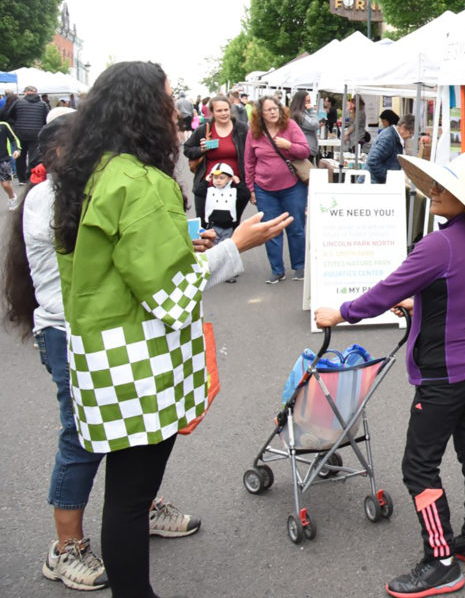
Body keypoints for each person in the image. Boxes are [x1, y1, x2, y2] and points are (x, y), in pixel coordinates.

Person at [39, 61, 289, 598]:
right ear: (142, 111)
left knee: (125, 495)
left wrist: (185, 248)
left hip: (102, 358)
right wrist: (233, 247)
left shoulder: (96, 173)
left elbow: (115, 267)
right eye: (168, 100)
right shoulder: (142, 182)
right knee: (132, 497)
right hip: (139, 363)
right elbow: (172, 294)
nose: (176, 113)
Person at [314, 151, 465, 598]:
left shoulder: (439, 244)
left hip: (445, 372)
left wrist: (339, 313)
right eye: (437, 184)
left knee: (418, 465)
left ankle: (439, 562)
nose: (434, 191)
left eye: (445, 188)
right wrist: (424, 303)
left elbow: (382, 293)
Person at [244, 94, 310, 284]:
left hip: (292, 187)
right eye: (268, 110)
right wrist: (251, 189)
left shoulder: (290, 126)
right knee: (270, 229)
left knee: (296, 227)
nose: (273, 112)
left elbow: (305, 151)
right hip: (264, 188)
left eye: (275, 109)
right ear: (260, 114)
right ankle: (277, 270)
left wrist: (289, 145)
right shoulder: (254, 132)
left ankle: (299, 266)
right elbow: (249, 162)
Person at [182, 94, 250, 242]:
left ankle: (228, 261)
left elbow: (251, 155)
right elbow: (187, 150)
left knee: (232, 227)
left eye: (226, 109)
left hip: (234, 188)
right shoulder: (204, 130)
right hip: (208, 187)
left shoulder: (242, 129)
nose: (224, 113)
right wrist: (201, 149)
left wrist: (247, 185)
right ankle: (206, 262)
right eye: (219, 111)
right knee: (206, 227)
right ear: (212, 112)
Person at [9, 85, 50, 183]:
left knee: (20, 156)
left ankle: (22, 178)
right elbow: (47, 119)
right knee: (34, 156)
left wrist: (15, 126)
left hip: (20, 133)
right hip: (36, 133)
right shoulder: (43, 104)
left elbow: (9, 115)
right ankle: (32, 176)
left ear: (26, 92)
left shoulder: (18, 102)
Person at [366, 114, 415, 184]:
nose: (410, 137)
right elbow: (372, 161)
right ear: (403, 127)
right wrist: (388, 177)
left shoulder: (393, 136)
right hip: (374, 185)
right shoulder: (389, 138)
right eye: (411, 133)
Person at [201, 163, 241, 245]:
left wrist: (238, 182)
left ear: (230, 178)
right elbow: (198, 191)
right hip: (213, 226)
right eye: (215, 178)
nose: (218, 180)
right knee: (213, 248)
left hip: (228, 227)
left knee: (226, 249)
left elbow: (246, 195)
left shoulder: (233, 191)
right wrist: (206, 181)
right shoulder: (210, 190)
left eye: (222, 178)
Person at [289, 90, 320, 162]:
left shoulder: (300, 113)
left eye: (309, 101)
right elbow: (314, 125)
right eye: (307, 101)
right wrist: (311, 110)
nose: (309, 104)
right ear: (301, 102)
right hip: (306, 149)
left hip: (306, 148)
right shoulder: (299, 114)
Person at [1, 115, 20, 210]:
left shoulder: (3, 125)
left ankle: (12, 197)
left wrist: (17, 149)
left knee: (5, 184)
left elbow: (13, 138)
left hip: (3, 159)